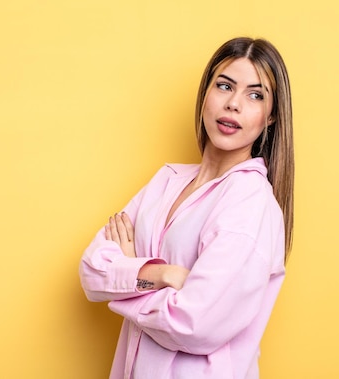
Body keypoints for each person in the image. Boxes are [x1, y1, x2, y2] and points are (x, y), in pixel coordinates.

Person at [79, 36, 294, 379]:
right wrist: (164, 275)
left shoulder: (251, 203)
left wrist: (126, 277)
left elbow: (194, 322)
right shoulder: (166, 181)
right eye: (224, 86)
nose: (234, 104)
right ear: (205, 94)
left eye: (256, 95)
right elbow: (92, 272)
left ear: (270, 118)